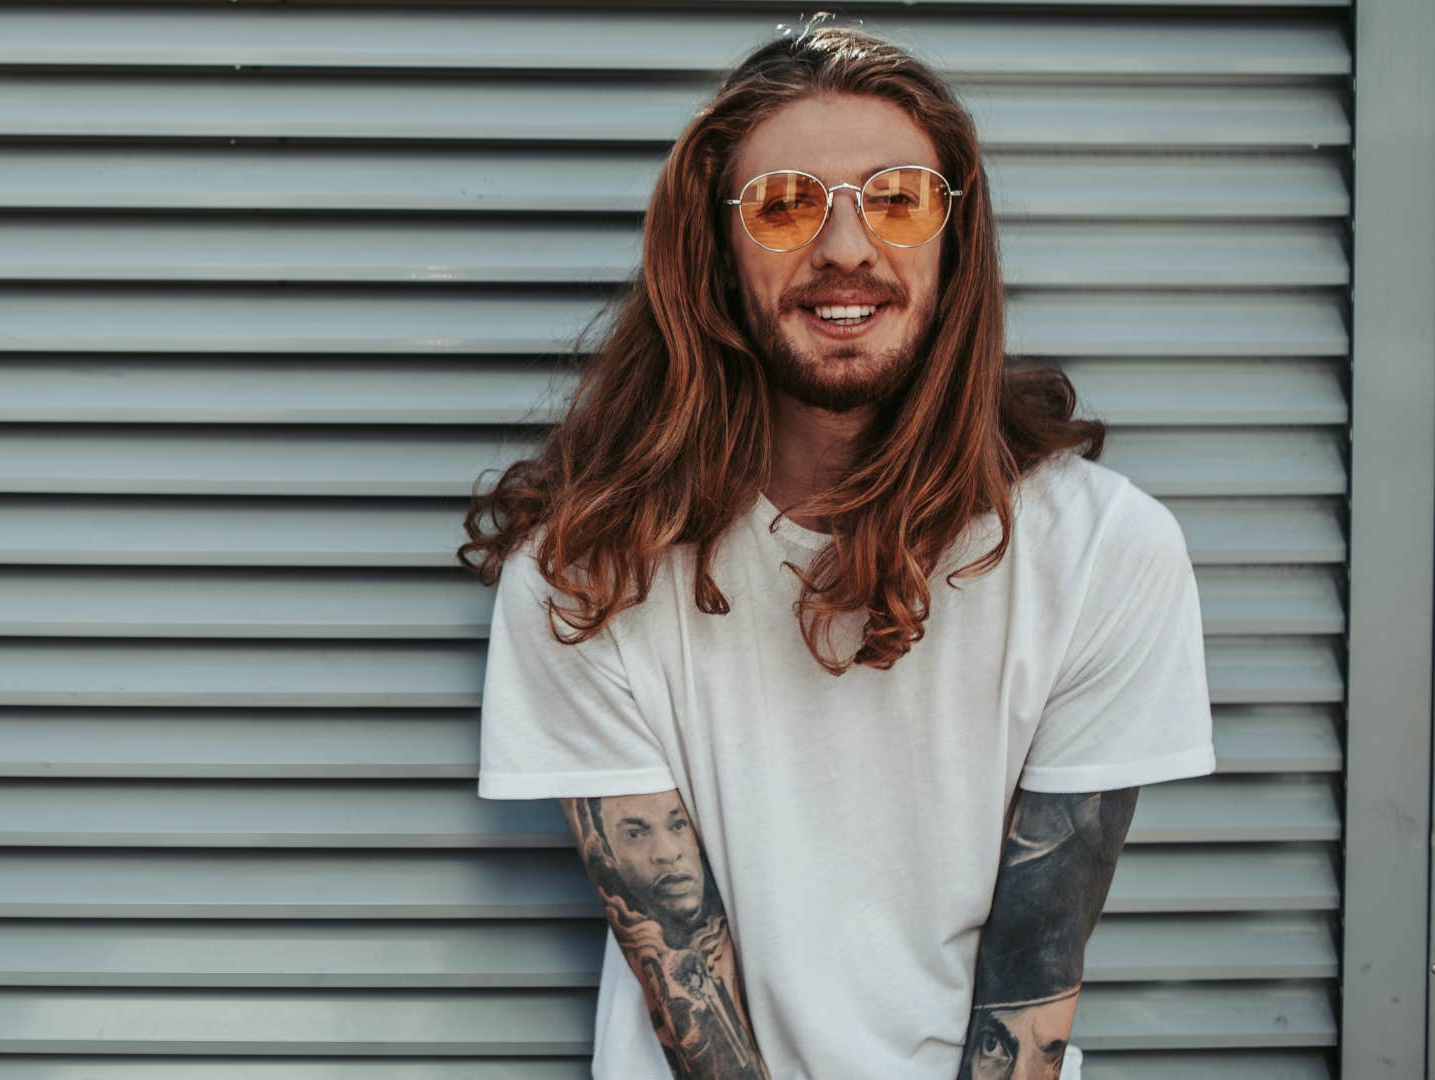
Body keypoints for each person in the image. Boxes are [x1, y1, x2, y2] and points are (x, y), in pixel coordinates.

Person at [458, 20, 1216, 1080]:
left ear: (955, 239)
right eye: (784, 205)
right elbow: (684, 979)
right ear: (716, 255)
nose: (847, 249)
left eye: (897, 198)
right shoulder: (590, 568)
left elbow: (1034, 972)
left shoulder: (1102, 549)